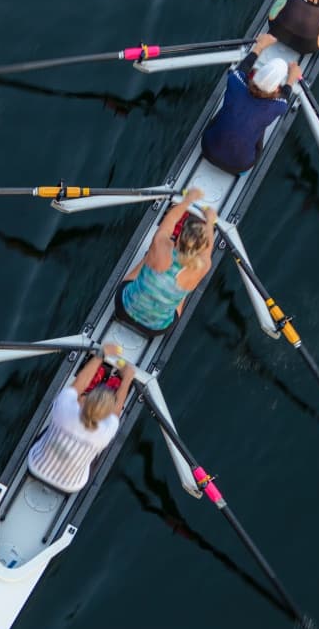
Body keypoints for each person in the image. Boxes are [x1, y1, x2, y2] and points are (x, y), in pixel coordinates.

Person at [27, 344, 136, 493]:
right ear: (106, 415)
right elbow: (117, 408)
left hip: (35, 466)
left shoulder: (65, 406)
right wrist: (127, 379)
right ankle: (114, 381)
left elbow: (80, 382)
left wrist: (101, 354)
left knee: (59, 417)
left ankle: (97, 376)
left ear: (85, 400)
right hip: (71, 485)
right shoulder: (107, 430)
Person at [115, 188, 217, 337]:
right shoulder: (204, 266)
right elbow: (208, 247)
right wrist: (210, 221)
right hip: (156, 330)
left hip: (123, 310)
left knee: (149, 256)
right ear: (201, 247)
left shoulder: (161, 244)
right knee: (185, 289)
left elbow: (171, 218)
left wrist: (188, 200)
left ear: (180, 234)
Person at [200, 33, 301, 174]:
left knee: (228, 111)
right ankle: (243, 171)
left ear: (256, 74)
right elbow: (285, 95)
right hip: (240, 166)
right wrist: (292, 77)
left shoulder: (234, 81)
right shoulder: (279, 107)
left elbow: (244, 66)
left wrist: (260, 45)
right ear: (277, 88)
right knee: (259, 127)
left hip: (206, 149)